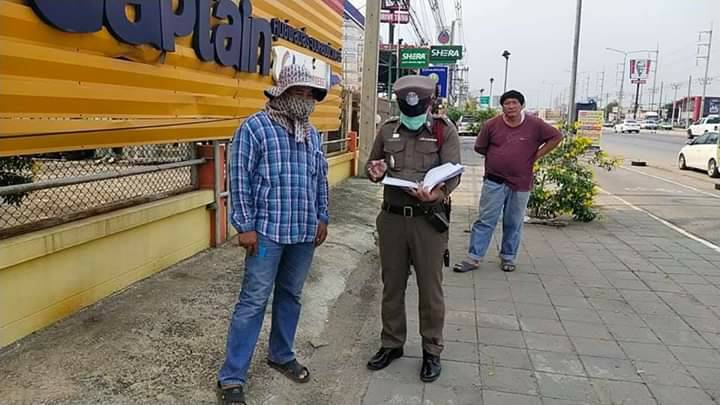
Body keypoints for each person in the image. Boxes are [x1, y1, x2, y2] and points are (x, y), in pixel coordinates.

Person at [217, 64, 330, 405]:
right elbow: (239, 177)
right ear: (282, 92)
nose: (306, 99)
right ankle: (232, 377)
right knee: (253, 301)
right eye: (299, 92)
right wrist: (245, 226)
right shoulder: (255, 127)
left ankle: (281, 355)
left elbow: (319, 178)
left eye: (310, 94)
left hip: (303, 232)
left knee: (291, 295)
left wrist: (322, 216)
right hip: (266, 234)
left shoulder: (311, 134)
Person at [365, 75, 461, 382]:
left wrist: (438, 194)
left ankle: (432, 350)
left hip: (427, 221)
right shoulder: (388, 129)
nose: (412, 113)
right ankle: (392, 343)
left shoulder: (444, 131)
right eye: (407, 109)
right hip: (392, 219)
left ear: (429, 104)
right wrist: (375, 170)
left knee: (430, 289)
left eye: (417, 108)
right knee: (392, 285)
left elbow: (454, 173)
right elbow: (372, 166)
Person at [453, 90, 562, 273]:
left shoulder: (535, 124)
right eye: (507, 103)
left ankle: (508, 257)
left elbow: (556, 137)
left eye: (514, 103)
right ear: (502, 106)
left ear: (522, 105)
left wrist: (536, 156)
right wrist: (499, 157)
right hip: (494, 181)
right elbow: (480, 147)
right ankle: (474, 258)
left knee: (514, 222)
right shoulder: (491, 125)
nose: (511, 106)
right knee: (486, 220)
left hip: (521, 182)